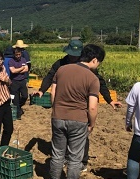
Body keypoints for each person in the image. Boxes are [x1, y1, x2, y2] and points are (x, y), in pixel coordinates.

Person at [36, 39, 123, 171]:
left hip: (79, 109)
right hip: (64, 108)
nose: (72, 57)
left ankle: (83, 160)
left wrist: (109, 100)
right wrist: (42, 90)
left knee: (82, 136)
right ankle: (67, 159)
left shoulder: (89, 69)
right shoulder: (61, 64)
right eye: (71, 54)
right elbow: (50, 77)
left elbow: (100, 83)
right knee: (66, 136)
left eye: (75, 55)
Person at [40, 44, 104, 179]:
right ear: (94, 60)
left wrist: (57, 110)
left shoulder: (62, 70)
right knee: (75, 157)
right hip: (78, 120)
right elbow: (93, 106)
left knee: (57, 153)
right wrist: (92, 123)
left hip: (58, 117)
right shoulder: (92, 78)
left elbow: (53, 93)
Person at [8, 40, 29, 119]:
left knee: (25, 96)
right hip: (14, 82)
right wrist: (21, 68)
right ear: (14, 54)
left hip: (22, 81)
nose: (18, 56)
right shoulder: (11, 61)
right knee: (15, 100)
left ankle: (19, 108)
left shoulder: (23, 59)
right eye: (17, 55)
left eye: (19, 54)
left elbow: (26, 69)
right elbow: (13, 71)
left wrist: (18, 70)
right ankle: (18, 115)